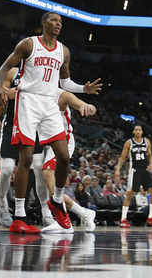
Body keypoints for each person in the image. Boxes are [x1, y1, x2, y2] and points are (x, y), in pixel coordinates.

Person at [0, 11, 102, 234]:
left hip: (50, 102)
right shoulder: (29, 44)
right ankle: (20, 216)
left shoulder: (64, 51)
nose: (58, 24)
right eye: (54, 20)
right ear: (44, 24)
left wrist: (84, 89)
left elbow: (65, 81)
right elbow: (5, 66)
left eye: (61, 22)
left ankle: (57, 201)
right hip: (28, 100)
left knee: (63, 155)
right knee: (25, 159)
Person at [0, 67, 55, 229]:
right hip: (12, 123)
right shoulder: (13, 72)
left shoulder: (44, 74)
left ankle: (45, 210)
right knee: (6, 170)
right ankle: (2, 203)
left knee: (39, 168)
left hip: (34, 125)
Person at [39, 89, 98, 233]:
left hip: (62, 140)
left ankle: (64, 222)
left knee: (48, 174)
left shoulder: (61, 95)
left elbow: (91, 108)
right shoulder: (35, 93)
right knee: (49, 185)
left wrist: (88, 108)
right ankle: (84, 213)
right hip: (47, 142)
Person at [115, 125, 152, 228]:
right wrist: (118, 170)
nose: (138, 131)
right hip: (134, 171)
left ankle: (151, 217)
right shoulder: (129, 142)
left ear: (142, 132)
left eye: (140, 130)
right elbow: (122, 158)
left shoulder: (146, 141)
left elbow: (149, 155)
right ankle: (123, 219)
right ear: (133, 132)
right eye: (136, 130)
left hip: (145, 170)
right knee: (130, 195)